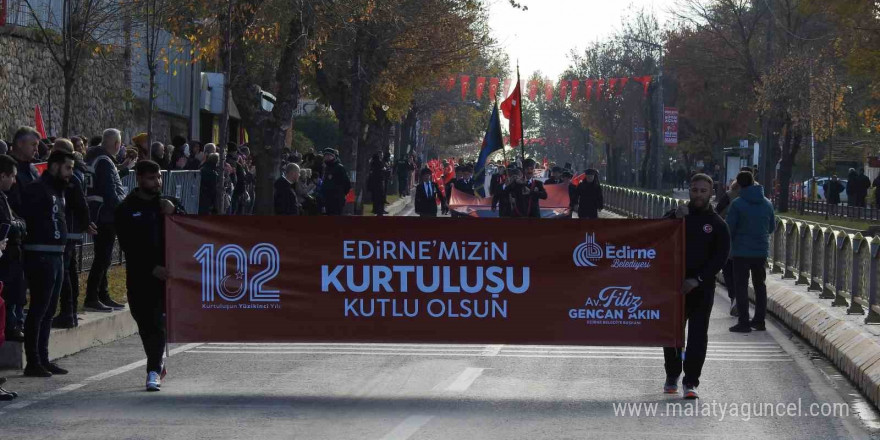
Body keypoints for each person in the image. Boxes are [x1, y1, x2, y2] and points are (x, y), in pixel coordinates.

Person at [662, 174, 730, 399]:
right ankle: (672, 375)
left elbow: (720, 257)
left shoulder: (717, 224)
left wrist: (698, 279)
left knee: (698, 336)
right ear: (689, 191)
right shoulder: (678, 215)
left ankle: (691, 381)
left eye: (703, 191)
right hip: (675, 286)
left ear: (711, 193)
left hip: (701, 288)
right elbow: (657, 234)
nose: (698, 194)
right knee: (673, 333)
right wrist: (673, 216)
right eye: (695, 190)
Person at [116, 160, 175, 391]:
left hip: (166, 277)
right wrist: (151, 268)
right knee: (145, 324)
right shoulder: (126, 209)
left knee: (157, 323)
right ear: (139, 179)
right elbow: (129, 246)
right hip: (141, 277)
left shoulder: (165, 204)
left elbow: (187, 229)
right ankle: (157, 364)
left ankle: (153, 370)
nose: (157, 182)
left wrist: (175, 210)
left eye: (159, 177)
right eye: (151, 178)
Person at [21, 150, 76, 377]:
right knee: (39, 309)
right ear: (54, 166)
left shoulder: (57, 190)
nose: (70, 174)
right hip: (40, 256)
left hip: (56, 255)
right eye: (67, 168)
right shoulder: (37, 189)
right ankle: (33, 361)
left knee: (50, 309)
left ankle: (43, 358)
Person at [51, 139, 96, 329]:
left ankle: (68, 312)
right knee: (69, 271)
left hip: (68, 230)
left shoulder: (71, 176)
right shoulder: (75, 172)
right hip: (70, 229)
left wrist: (85, 223)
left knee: (66, 273)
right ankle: (69, 311)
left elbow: (79, 202)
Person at [84, 129, 128, 312]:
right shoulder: (104, 161)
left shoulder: (93, 158)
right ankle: (93, 296)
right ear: (117, 144)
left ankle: (102, 294)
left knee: (104, 257)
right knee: (103, 258)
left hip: (97, 213)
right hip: (105, 215)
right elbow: (111, 192)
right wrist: (124, 210)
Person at [727, 171, 776, 333]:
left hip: (741, 252)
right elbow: (771, 227)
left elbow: (730, 229)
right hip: (760, 251)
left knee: (741, 286)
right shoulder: (767, 203)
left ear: (739, 185)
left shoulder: (737, 204)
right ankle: (759, 320)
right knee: (760, 286)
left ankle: (744, 322)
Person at [0, 154, 26, 342]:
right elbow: (8, 223)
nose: (14, 180)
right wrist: (16, 225)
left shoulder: (4, 197)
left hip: (12, 255)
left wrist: (17, 224)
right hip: (6, 257)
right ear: (3, 175)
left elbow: (19, 221)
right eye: (12, 176)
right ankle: (11, 326)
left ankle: (14, 324)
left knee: (16, 292)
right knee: (9, 295)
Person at [320, 148, 351, 216]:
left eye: (329, 155)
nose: (327, 157)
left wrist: (341, 194)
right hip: (327, 199)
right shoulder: (327, 168)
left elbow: (347, 183)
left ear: (333, 156)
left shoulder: (339, 168)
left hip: (337, 200)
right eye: (325, 155)